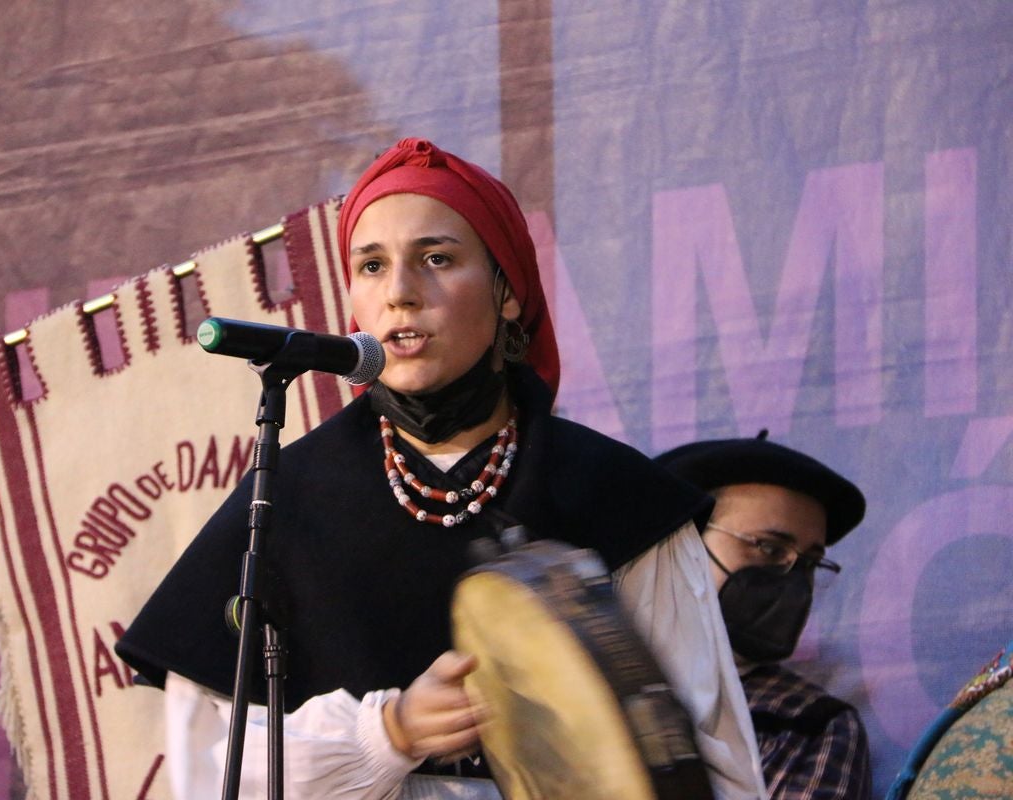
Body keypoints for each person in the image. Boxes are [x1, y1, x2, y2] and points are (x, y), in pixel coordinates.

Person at [116, 137, 765, 799]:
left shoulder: (614, 495)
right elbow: (210, 770)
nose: (400, 293)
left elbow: (712, 756)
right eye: (371, 266)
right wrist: (388, 733)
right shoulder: (287, 503)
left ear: (508, 292)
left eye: (437, 258)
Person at [655, 431, 872, 800]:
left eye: (810, 563)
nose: (793, 582)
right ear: (680, 542)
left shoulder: (807, 725)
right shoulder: (575, 678)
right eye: (769, 548)